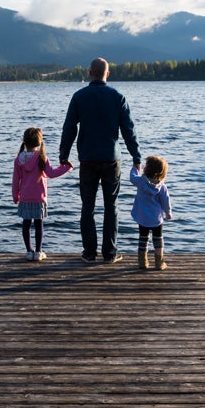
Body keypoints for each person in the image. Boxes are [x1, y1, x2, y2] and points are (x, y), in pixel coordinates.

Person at [59, 58, 141, 263]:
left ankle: (89, 253)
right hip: (112, 159)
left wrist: (63, 156)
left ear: (89, 73)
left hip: (87, 159)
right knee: (111, 206)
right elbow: (128, 131)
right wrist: (136, 157)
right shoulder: (117, 97)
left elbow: (69, 128)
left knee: (87, 206)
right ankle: (110, 254)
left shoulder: (79, 97)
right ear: (108, 74)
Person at [12, 127, 72, 261]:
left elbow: (16, 181)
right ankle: (38, 251)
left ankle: (29, 251)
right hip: (39, 197)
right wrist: (66, 167)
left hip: (25, 197)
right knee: (39, 224)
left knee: (26, 224)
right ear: (39, 142)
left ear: (24, 141)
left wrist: (15, 197)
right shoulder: (41, 158)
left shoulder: (18, 160)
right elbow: (51, 173)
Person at [129, 156, 173, 270]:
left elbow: (132, 177)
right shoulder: (162, 187)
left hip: (143, 218)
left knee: (143, 239)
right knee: (158, 240)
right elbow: (166, 202)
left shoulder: (140, 182)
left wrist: (135, 167)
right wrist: (168, 213)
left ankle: (142, 262)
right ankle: (159, 263)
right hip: (156, 219)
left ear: (147, 169)